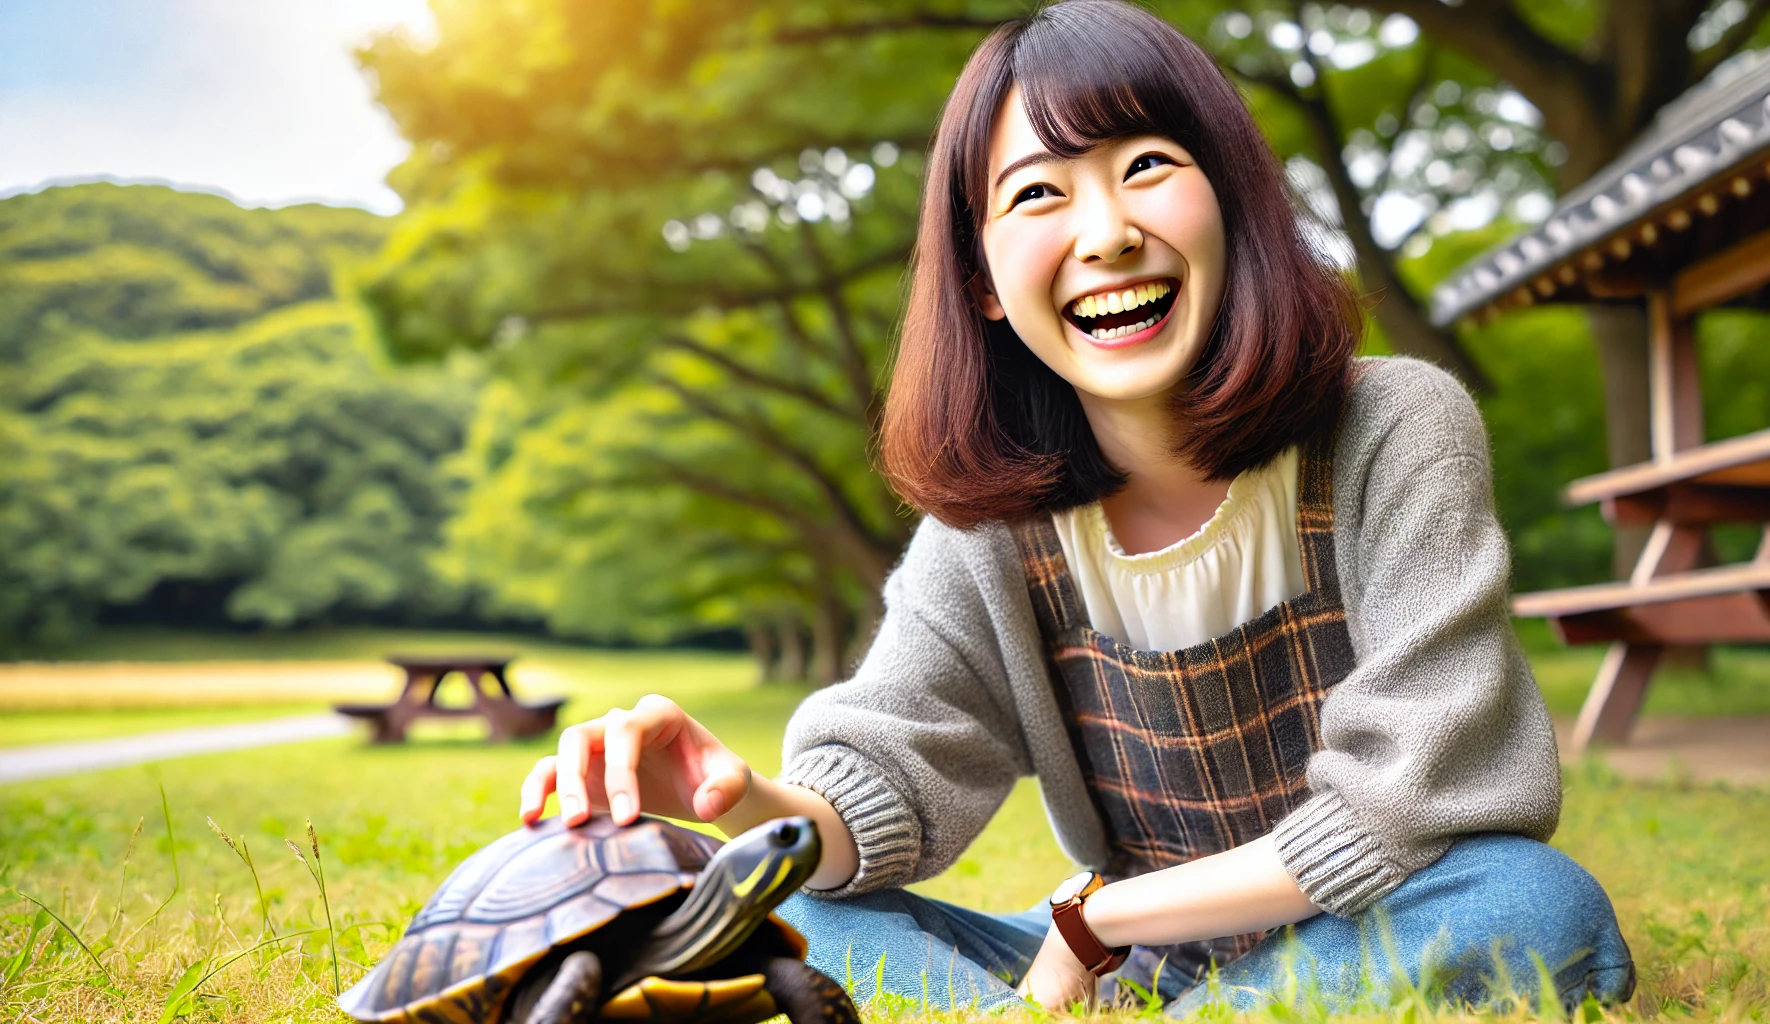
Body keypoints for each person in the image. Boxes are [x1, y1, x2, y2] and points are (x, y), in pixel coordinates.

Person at [517, 0, 1635, 1014]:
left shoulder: (1392, 425)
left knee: (1533, 905)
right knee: (798, 915)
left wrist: (1093, 920)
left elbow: (1412, 801)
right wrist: (731, 794)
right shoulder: (992, 532)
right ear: (982, 286)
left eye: (1145, 165)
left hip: (1355, 931)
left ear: (1233, 204)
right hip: (1135, 976)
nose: (1103, 232)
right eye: (1037, 193)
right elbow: (888, 772)